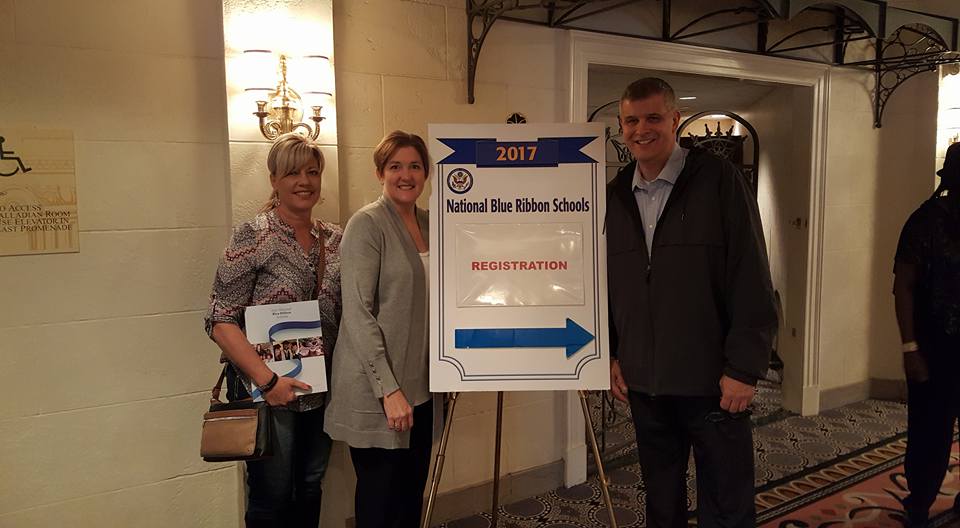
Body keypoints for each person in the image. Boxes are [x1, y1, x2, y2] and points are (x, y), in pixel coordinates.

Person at [605, 78, 777, 528]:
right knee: (662, 506)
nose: (642, 129)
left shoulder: (718, 181)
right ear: (622, 126)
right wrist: (612, 352)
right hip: (646, 384)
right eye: (632, 120)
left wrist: (743, 368)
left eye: (653, 118)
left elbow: (751, 274)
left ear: (675, 120)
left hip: (714, 382)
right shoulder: (615, 194)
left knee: (727, 504)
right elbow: (609, 283)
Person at [204, 132, 342, 528]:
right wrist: (269, 382)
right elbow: (220, 320)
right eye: (293, 172)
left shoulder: (335, 239)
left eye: (313, 172)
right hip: (269, 392)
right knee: (272, 493)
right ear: (274, 180)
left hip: (322, 388)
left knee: (311, 486)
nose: (304, 181)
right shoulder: (253, 236)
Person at [324, 130, 432, 528]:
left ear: (427, 173)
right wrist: (389, 389)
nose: (406, 175)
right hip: (379, 388)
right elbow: (357, 312)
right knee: (379, 502)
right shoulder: (366, 224)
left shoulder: (430, 221)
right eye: (396, 166)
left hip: (421, 387)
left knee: (410, 494)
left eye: (415, 166)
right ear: (380, 173)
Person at [893, 141, 960, 527]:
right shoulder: (923, 222)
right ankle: (918, 504)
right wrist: (910, 347)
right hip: (933, 350)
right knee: (930, 435)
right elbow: (902, 287)